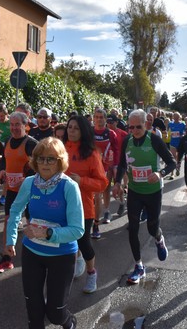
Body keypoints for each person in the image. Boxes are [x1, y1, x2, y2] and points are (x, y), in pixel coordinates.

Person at [4, 137, 83, 329]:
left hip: (62, 255)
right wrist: (10, 240)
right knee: (34, 311)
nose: (45, 163)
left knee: (56, 314)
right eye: (41, 158)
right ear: (35, 161)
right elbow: (15, 210)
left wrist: (47, 233)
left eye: (51, 159)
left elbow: (78, 230)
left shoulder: (69, 187)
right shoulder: (30, 183)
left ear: (60, 161)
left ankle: (69, 321)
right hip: (32, 252)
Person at [112, 109, 176, 285]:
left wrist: (160, 173)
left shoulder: (154, 140)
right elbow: (123, 164)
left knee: (151, 227)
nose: (133, 131)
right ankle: (139, 266)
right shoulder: (127, 140)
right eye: (130, 127)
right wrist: (117, 182)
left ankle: (159, 239)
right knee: (132, 228)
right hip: (135, 191)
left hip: (153, 191)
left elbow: (172, 163)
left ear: (146, 124)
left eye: (137, 127)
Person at [63, 116, 108, 293]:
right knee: (63, 244)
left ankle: (91, 273)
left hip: (83, 207)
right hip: (60, 205)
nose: (71, 131)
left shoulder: (91, 153)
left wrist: (81, 180)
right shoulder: (61, 149)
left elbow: (102, 183)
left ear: (83, 131)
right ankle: (63, 281)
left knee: (84, 243)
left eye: (75, 128)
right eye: (69, 127)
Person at [0, 111, 38, 273]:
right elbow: (6, 159)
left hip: (30, 191)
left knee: (32, 223)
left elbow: (40, 168)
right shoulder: (9, 141)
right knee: (8, 221)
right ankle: (6, 257)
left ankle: (36, 256)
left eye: (17, 124)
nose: (14, 128)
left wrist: (26, 180)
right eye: (11, 124)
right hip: (12, 190)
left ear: (25, 125)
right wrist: (3, 170)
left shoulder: (31, 144)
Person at [92, 109, 119, 236]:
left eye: (101, 117)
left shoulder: (111, 133)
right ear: (93, 118)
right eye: (96, 117)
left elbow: (116, 150)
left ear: (105, 119)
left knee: (106, 190)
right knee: (96, 195)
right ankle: (94, 221)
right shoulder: (89, 132)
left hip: (106, 167)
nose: (99, 119)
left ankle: (107, 210)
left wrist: (115, 166)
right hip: (92, 168)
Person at [168, 112, 186, 177]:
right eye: (175, 117)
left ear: (179, 117)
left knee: (178, 158)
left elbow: (185, 132)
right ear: (173, 117)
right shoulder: (170, 124)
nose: (176, 118)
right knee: (173, 157)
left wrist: (183, 135)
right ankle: (172, 173)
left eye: (177, 117)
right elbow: (167, 131)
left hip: (180, 143)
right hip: (172, 143)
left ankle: (178, 167)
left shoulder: (182, 124)